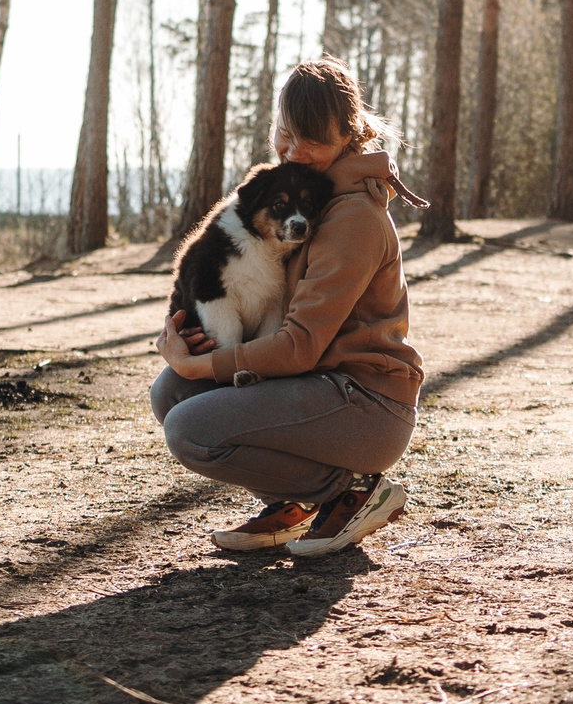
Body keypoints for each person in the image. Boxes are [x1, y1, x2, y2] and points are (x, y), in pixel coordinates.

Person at [151, 57, 424, 554]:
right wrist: (189, 333)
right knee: (171, 392)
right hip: (314, 385)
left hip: (364, 402)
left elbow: (298, 346)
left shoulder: (352, 216)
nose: (293, 152)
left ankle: (352, 491)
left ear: (350, 134)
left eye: (312, 141)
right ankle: (293, 500)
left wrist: (204, 364)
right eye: (285, 133)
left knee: (188, 427)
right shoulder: (309, 194)